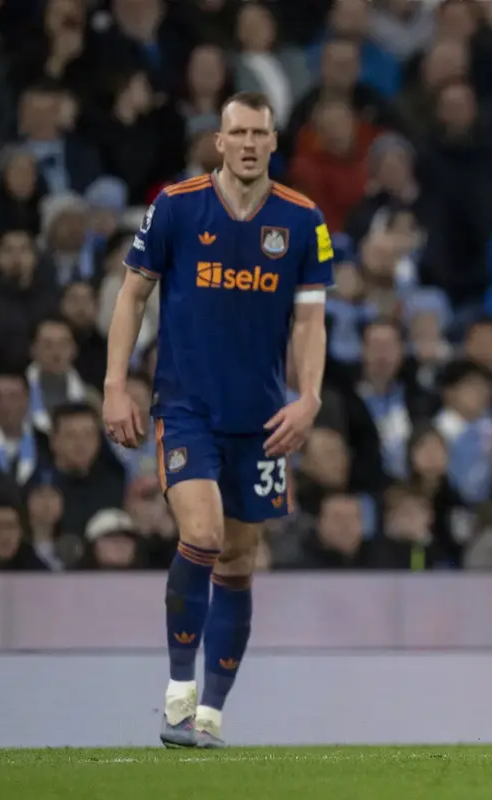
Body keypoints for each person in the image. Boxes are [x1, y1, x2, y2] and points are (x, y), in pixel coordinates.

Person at [102, 91, 333, 748]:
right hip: (186, 408)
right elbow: (132, 295)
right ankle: (179, 692)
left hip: (261, 418)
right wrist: (116, 386)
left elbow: (311, 320)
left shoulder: (302, 219)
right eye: (240, 133)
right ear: (220, 141)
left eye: (261, 133)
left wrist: (309, 398)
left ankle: (212, 713)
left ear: (274, 141)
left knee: (237, 559)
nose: (250, 144)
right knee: (201, 535)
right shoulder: (176, 206)